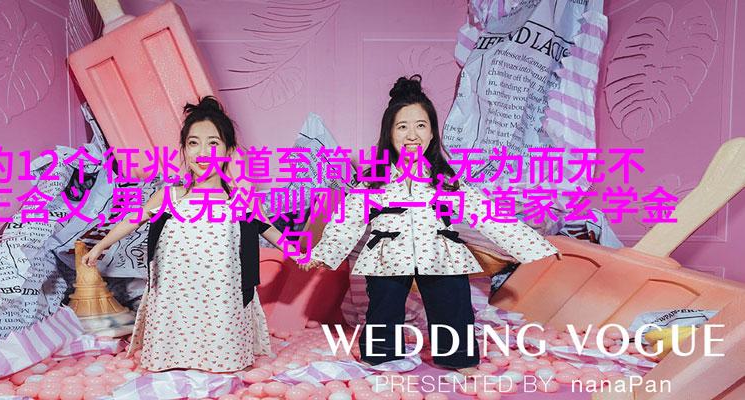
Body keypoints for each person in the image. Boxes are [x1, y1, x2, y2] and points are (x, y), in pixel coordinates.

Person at [299, 75, 560, 372]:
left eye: (421, 126)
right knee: (383, 307)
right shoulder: (373, 182)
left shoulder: (446, 181)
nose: (412, 135)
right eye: (402, 127)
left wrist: (538, 245)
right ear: (389, 133)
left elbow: (488, 215)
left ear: (433, 133)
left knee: (453, 304)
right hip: (387, 254)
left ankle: (458, 357)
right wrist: (323, 254)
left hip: (440, 251)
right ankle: (381, 356)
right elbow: (348, 219)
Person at [82, 96, 292, 372]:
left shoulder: (241, 199)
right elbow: (134, 219)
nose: (202, 152)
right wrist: (100, 246)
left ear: (229, 150)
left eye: (213, 143)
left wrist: (300, 255)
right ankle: (174, 360)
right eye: (193, 143)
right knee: (174, 348)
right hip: (176, 295)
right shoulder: (170, 196)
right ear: (184, 149)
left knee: (223, 361)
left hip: (221, 297)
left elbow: (269, 229)